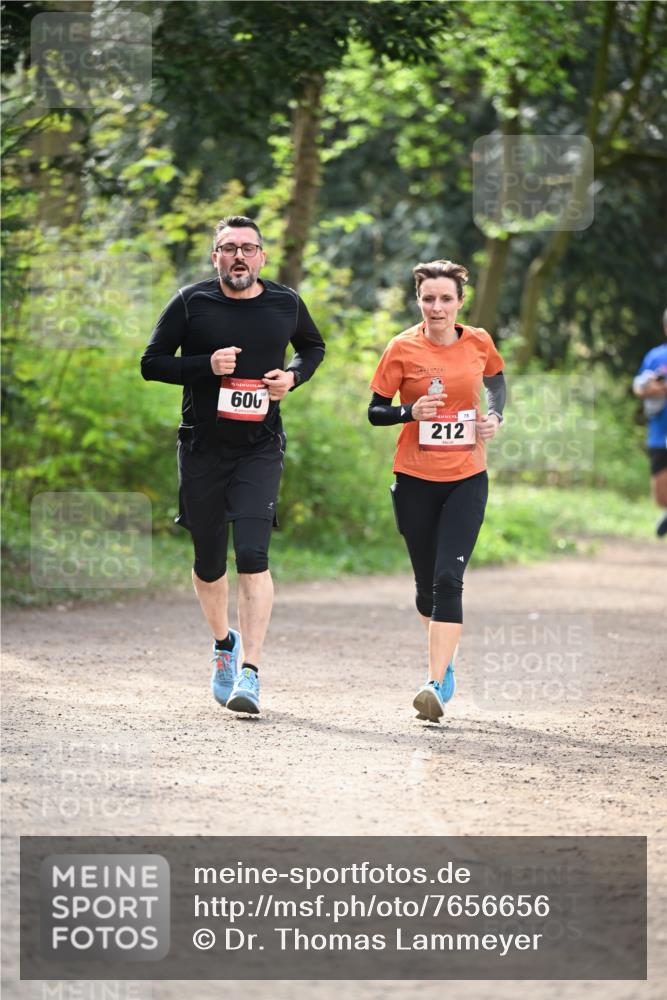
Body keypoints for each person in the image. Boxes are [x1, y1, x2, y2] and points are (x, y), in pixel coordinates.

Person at [141, 215, 325, 714]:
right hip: (202, 446)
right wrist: (205, 365)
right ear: (215, 257)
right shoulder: (191, 302)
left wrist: (292, 377)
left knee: (252, 552)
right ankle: (225, 644)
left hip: (260, 446)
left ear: (262, 256)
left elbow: (313, 347)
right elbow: (151, 362)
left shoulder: (285, 302)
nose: (238, 256)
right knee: (207, 560)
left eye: (248, 247)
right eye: (228, 248)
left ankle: (252, 672)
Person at [368, 259, 506, 722]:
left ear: (460, 302)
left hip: (467, 476)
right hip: (413, 480)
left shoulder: (479, 341)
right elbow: (374, 412)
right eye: (429, 298)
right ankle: (445, 668)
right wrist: (410, 413)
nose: (437, 307)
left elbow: (497, 380)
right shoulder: (401, 347)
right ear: (418, 300)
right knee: (427, 590)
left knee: (449, 578)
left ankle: (434, 682)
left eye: (446, 298)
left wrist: (495, 416)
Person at [632, 308, 667, 537]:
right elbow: (637, 387)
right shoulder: (655, 356)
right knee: (660, 495)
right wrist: (652, 389)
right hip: (659, 431)